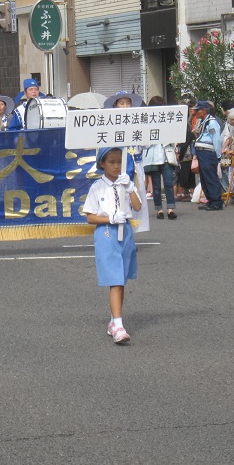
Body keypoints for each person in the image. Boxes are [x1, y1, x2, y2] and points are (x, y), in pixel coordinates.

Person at [82, 147, 141, 344]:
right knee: (115, 279)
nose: (116, 166)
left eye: (119, 162)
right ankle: (118, 324)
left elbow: (138, 206)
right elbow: (90, 217)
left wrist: (131, 187)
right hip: (107, 232)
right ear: (102, 164)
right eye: (112, 162)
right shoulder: (97, 187)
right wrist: (109, 218)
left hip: (125, 232)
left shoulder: (125, 182)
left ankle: (114, 320)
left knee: (121, 278)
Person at [143, 95, 177, 219]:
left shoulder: (168, 121)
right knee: (156, 186)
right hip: (153, 157)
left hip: (166, 156)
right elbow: (143, 143)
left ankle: (170, 208)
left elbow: (174, 139)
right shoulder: (146, 122)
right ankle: (159, 210)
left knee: (168, 183)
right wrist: (154, 137)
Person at [190, 100, 223, 210]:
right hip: (201, 151)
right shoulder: (202, 121)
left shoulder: (212, 122)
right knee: (204, 177)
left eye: (198, 110)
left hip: (208, 152)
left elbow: (217, 140)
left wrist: (218, 155)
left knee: (210, 176)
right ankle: (210, 199)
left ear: (204, 110)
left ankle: (216, 201)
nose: (196, 112)